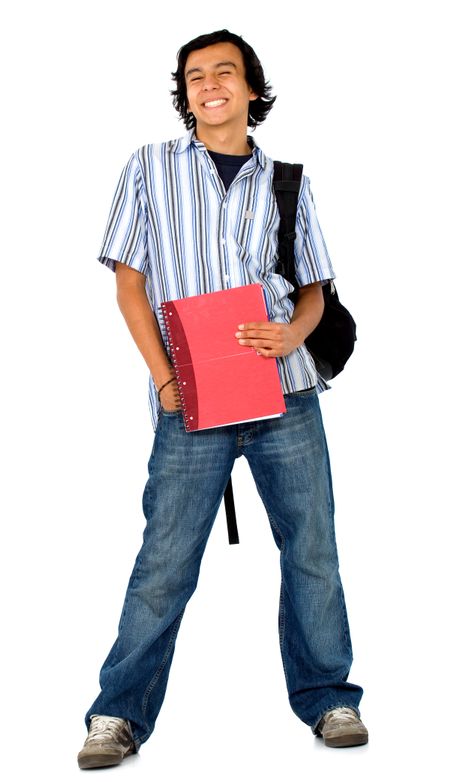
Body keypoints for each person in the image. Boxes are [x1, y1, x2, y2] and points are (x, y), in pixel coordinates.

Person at [77, 29, 368, 770]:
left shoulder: (287, 178)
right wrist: (167, 378)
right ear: (186, 94)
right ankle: (117, 712)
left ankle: (330, 696)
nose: (210, 84)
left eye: (225, 72)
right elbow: (130, 283)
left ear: (250, 88)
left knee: (313, 550)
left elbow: (312, 291)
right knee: (165, 558)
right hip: (192, 399)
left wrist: (290, 333)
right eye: (195, 76)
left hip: (286, 393)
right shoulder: (149, 167)